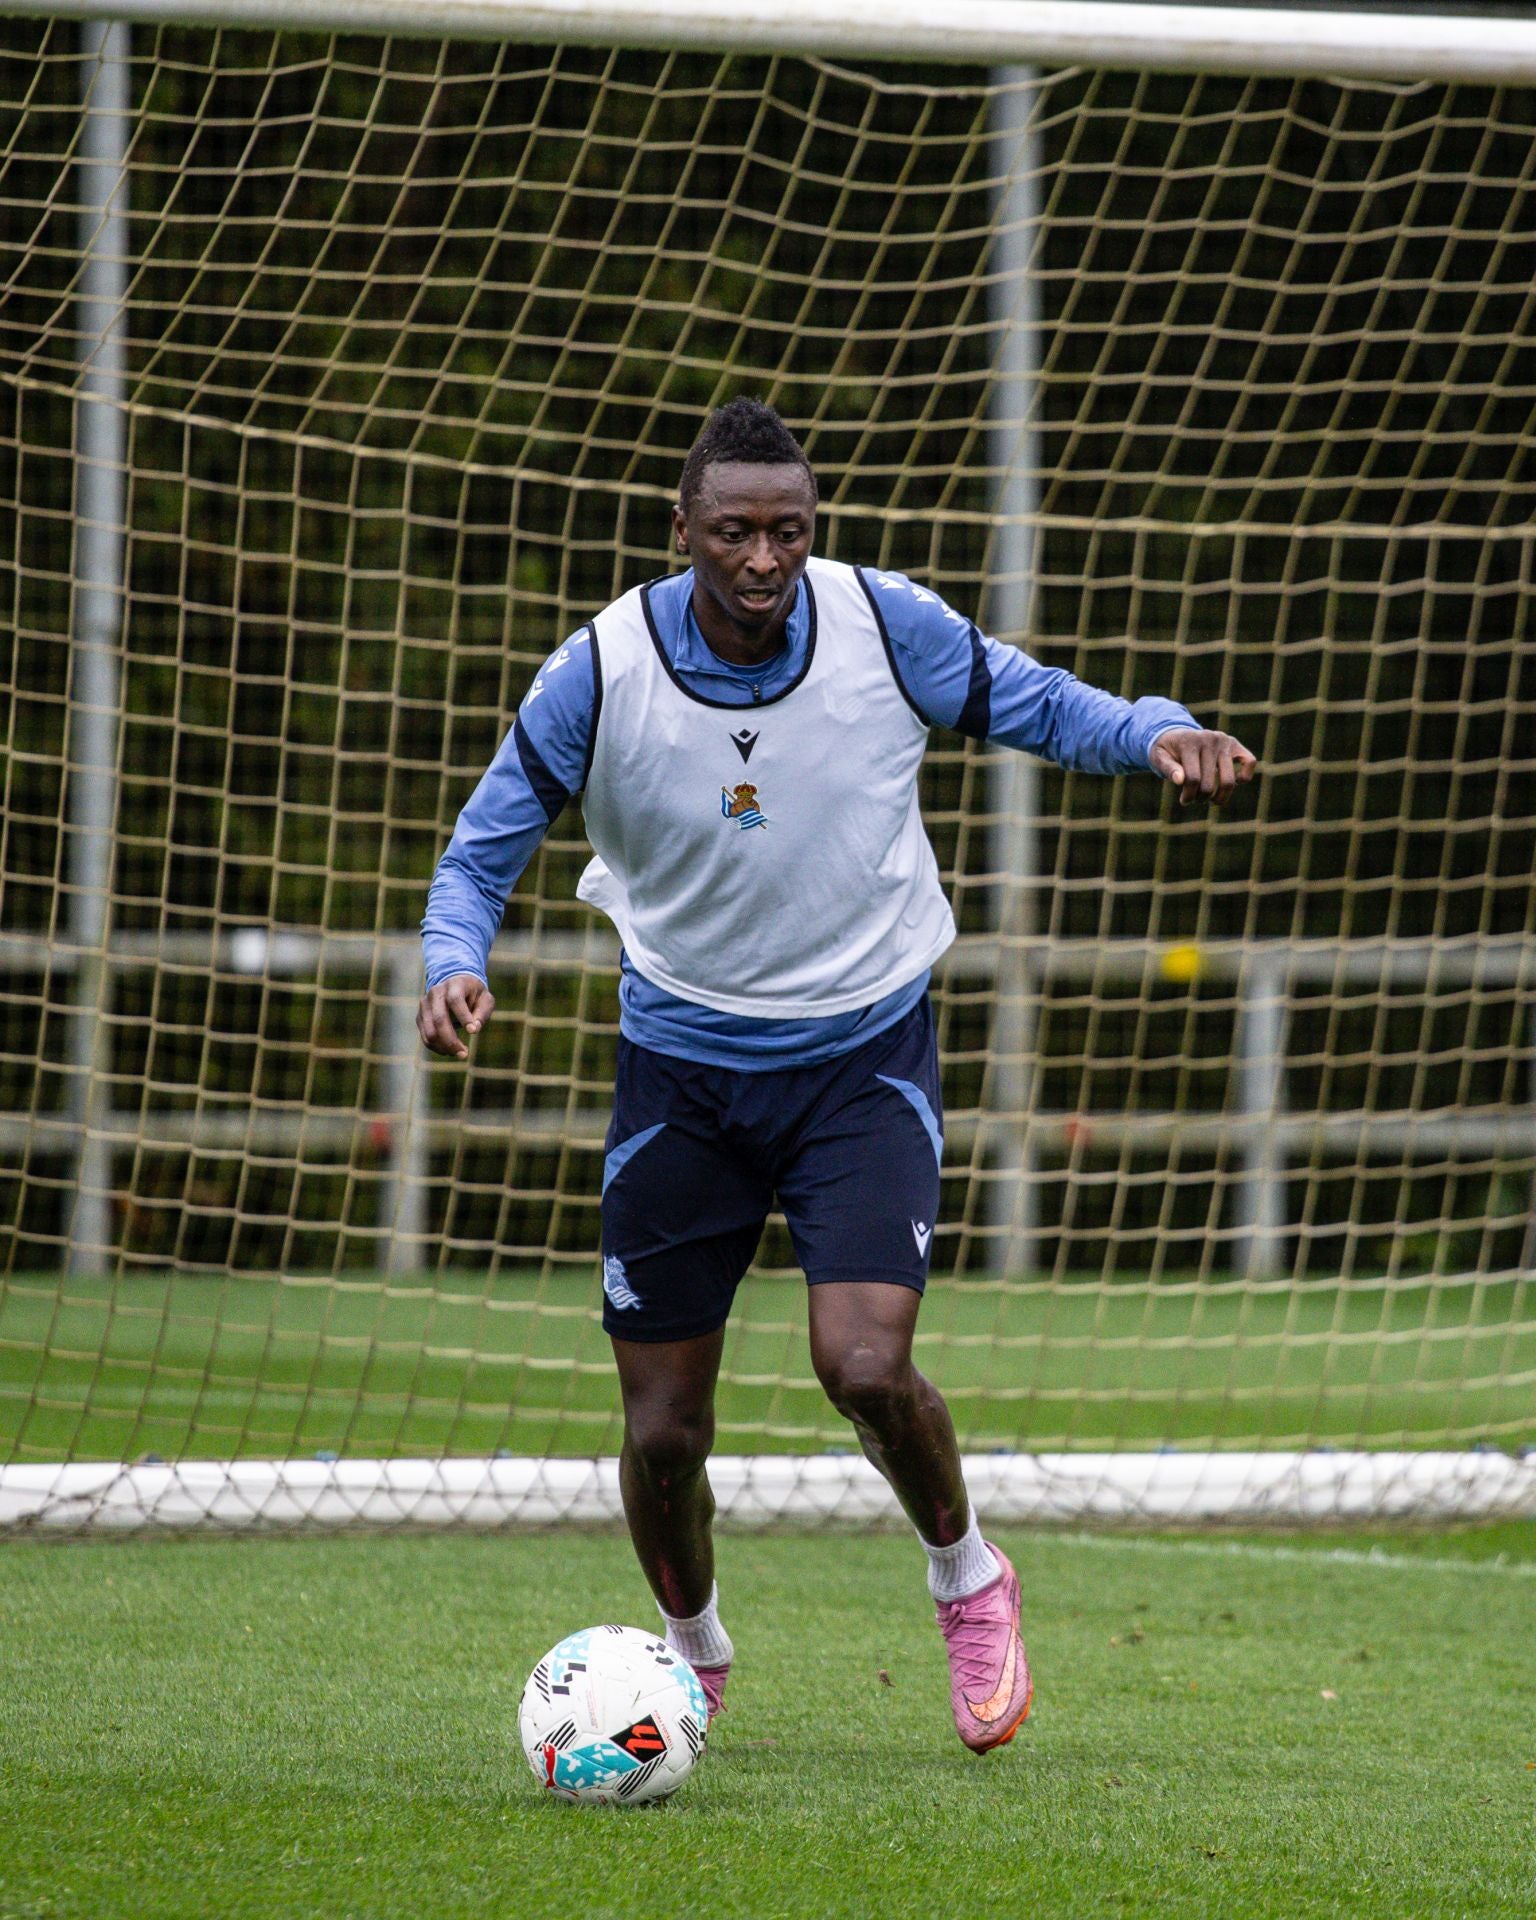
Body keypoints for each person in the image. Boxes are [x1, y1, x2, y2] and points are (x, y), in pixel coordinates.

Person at [420, 398, 1256, 1753]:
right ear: (681, 527)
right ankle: (691, 1655)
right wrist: (453, 956)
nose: (765, 558)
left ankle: (969, 1579)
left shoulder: (882, 624)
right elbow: (483, 845)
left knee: (864, 1364)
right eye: (737, 531)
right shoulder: (603, 668)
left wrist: (1153, 731)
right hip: (679, 1074)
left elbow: (1039, 701)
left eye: (790, 532)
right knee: (664, 1435)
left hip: (859, 1061)